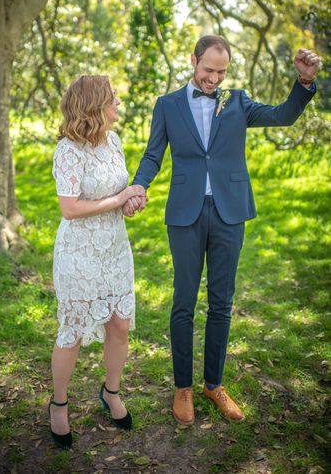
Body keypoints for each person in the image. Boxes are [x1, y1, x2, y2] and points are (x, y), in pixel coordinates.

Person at [125, 36, 320, 425]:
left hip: (230, 212)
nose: (214, 78)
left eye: (221, 72)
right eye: (208, 70)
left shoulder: (237, 100)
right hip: (185, 213)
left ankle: (213, 385)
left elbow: (282, 114)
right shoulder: (167, 105)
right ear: (193, 60)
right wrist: (138, 185)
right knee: (183, 302)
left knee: (221, 302)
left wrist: (303, 84)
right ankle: (183, 387)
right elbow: (152, 154)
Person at [49, 75, 144, 449]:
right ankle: (58, 403)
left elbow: (117, 192)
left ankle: (111, 391)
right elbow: (70, 209)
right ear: (93, 106)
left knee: (120, 324)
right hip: (79, 253)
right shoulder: (67, 151)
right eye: (113, 98)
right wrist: (120, 199)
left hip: (115, 248)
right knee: (72, 331)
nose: (118, 103)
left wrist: (130, 202)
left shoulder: (114, 141)